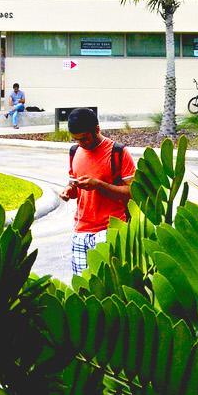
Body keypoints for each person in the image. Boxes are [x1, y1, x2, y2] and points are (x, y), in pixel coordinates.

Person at [60, 108, 136, 276]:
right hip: (80, 231)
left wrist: (99, 185)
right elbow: (74, 184)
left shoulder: (118, 152)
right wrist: (69, 190)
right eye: (76, 139)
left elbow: (133, 192)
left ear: (97, 130)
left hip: (109, 229)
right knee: (83, 288)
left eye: (84, 138)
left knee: (109, 287)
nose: (81, 143)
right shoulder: (75, 152)